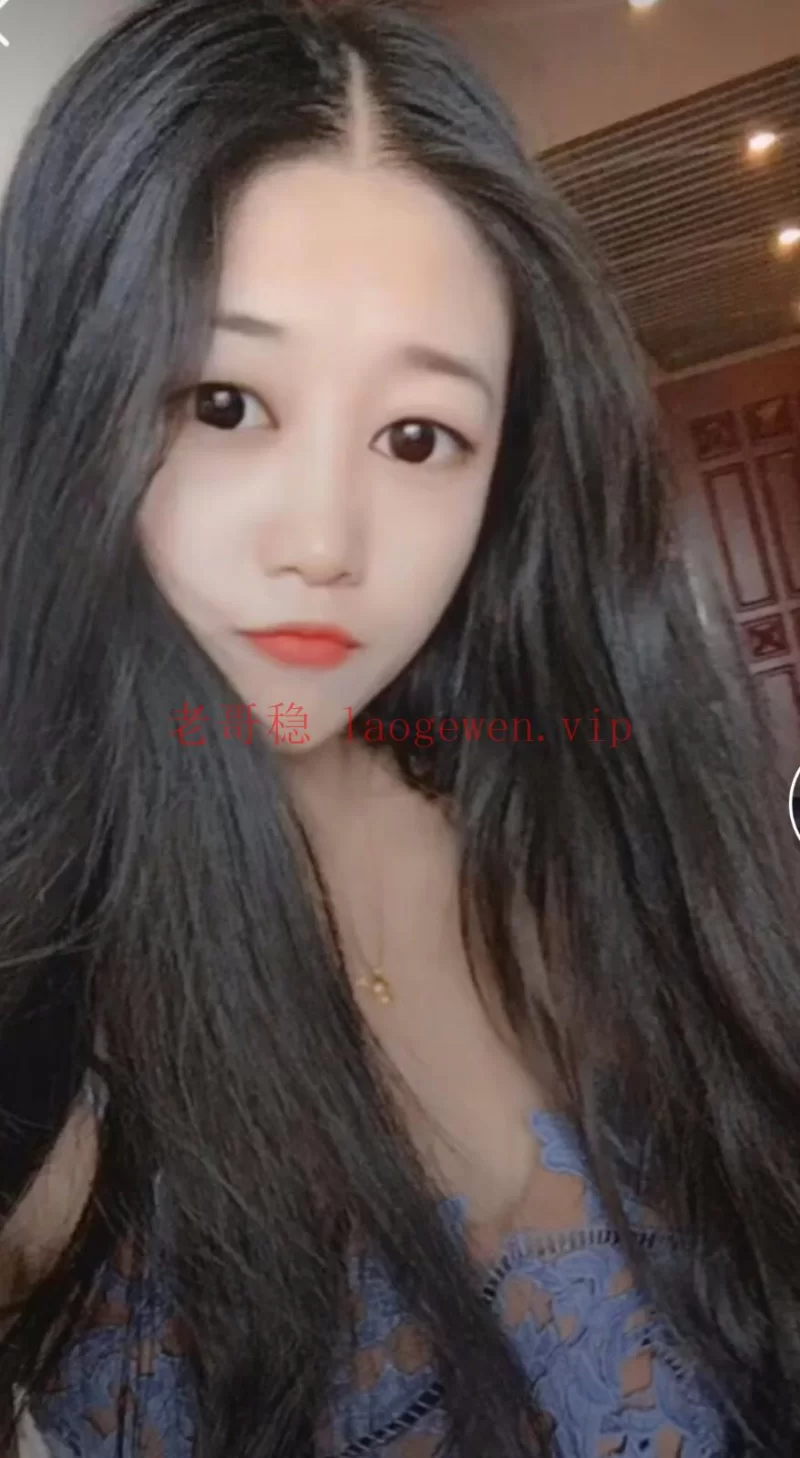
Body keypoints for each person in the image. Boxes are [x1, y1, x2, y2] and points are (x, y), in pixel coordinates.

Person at [0, 1, 798, 1454]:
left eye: (419, 436)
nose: (325, 541)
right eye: (224, 402)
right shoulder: (38, 980)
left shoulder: (599, 843)